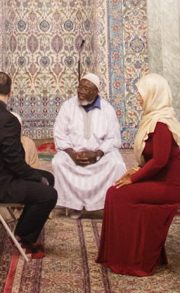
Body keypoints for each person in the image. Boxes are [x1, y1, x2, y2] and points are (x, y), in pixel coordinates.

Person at [96, 72, 180, 276]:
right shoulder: (153, 119)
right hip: (161, 180)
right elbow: (155, 159)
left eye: (141, 94)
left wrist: (134, 178)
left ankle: (132, 260)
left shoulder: (161, 124)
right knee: (114, 192)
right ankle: (120, 255)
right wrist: (137, 171)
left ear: (154, 94)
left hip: (171, 187)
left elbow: (160, 161)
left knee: (119, 194)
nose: (138, 98)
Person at [0, 71, 58, 259]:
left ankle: (24, 227)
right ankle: (23, 238)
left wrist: (38, 176)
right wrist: (36, 177)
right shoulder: (8, 120)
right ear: (11, 92)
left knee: (48, 177)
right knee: (49, 193)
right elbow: (15, 163)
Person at [51, 73, 127, 214]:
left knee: (116, 164)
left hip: (100, 155)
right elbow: (60, 133)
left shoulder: (107, 109)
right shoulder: (68, 106)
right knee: (58, 162)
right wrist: (72, 153)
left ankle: (105, 204)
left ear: (96, 92)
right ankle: (74, 204)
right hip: (73, 153)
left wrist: (97, 154)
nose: (81, 91)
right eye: (80, 87)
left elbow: (113, 138)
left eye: (86, 89)